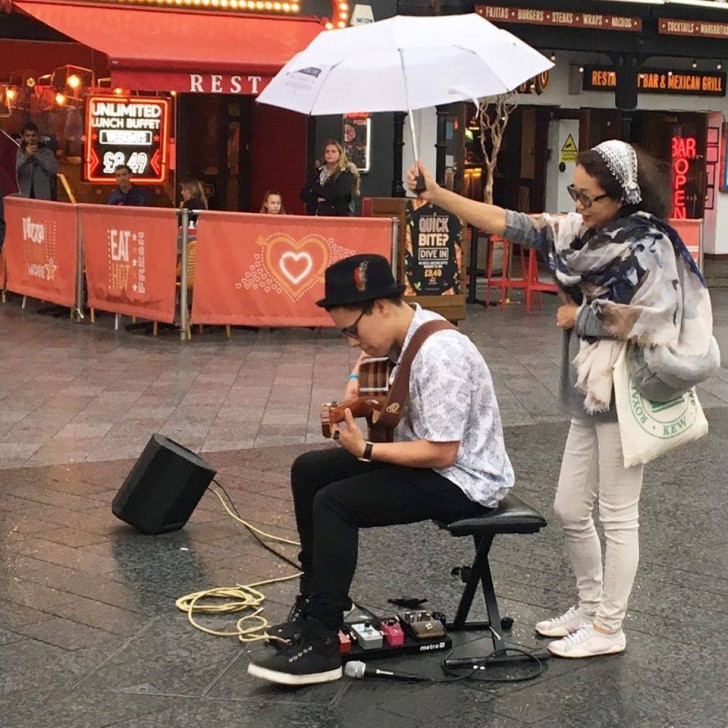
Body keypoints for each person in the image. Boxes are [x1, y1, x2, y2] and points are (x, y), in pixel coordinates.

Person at [406, 140, 715, 659]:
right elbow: (507, 222)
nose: (578, 205)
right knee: (570, 507)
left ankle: (609, 627)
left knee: (619, 515)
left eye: (589, 197)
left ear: (621, 196)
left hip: (625, 388)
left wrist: (584, 318)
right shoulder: (575, 234)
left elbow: (660, 317)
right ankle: (590, 607)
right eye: (574, 191)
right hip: (587, 389)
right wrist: (437, 193)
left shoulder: (649, 244)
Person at [247, 253, 514, 686]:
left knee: (335, 503)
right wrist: (354, 389)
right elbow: (368, 365)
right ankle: (320, 602)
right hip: (427, 461)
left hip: (464, 480)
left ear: (382, 307)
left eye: (352, 331)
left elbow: (442, 453)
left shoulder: (440, 352)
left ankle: (323, 643)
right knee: (309, 471)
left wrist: (366, 450)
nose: (352, 342)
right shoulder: (404, 332)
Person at [300, 140, 360, 216]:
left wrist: (317, 191)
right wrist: (317, 197)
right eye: (327, 152)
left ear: (340, 154)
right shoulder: (317, 172)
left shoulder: (345, 174)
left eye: (333, 151)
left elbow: (338, 194)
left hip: (337, 216)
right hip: (315, 214)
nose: (330, 154)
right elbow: (304, 194)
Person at [15, 122, 58, 200]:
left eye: (33, 135)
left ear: (38, 136)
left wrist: (37, 155)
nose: (31, 138)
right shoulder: (17, 152)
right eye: (27, 136)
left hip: (41, 196)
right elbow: (12, 171)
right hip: (22, 196)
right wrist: (25, 157)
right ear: (22, 137)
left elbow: (53, 170)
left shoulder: (46, 152)